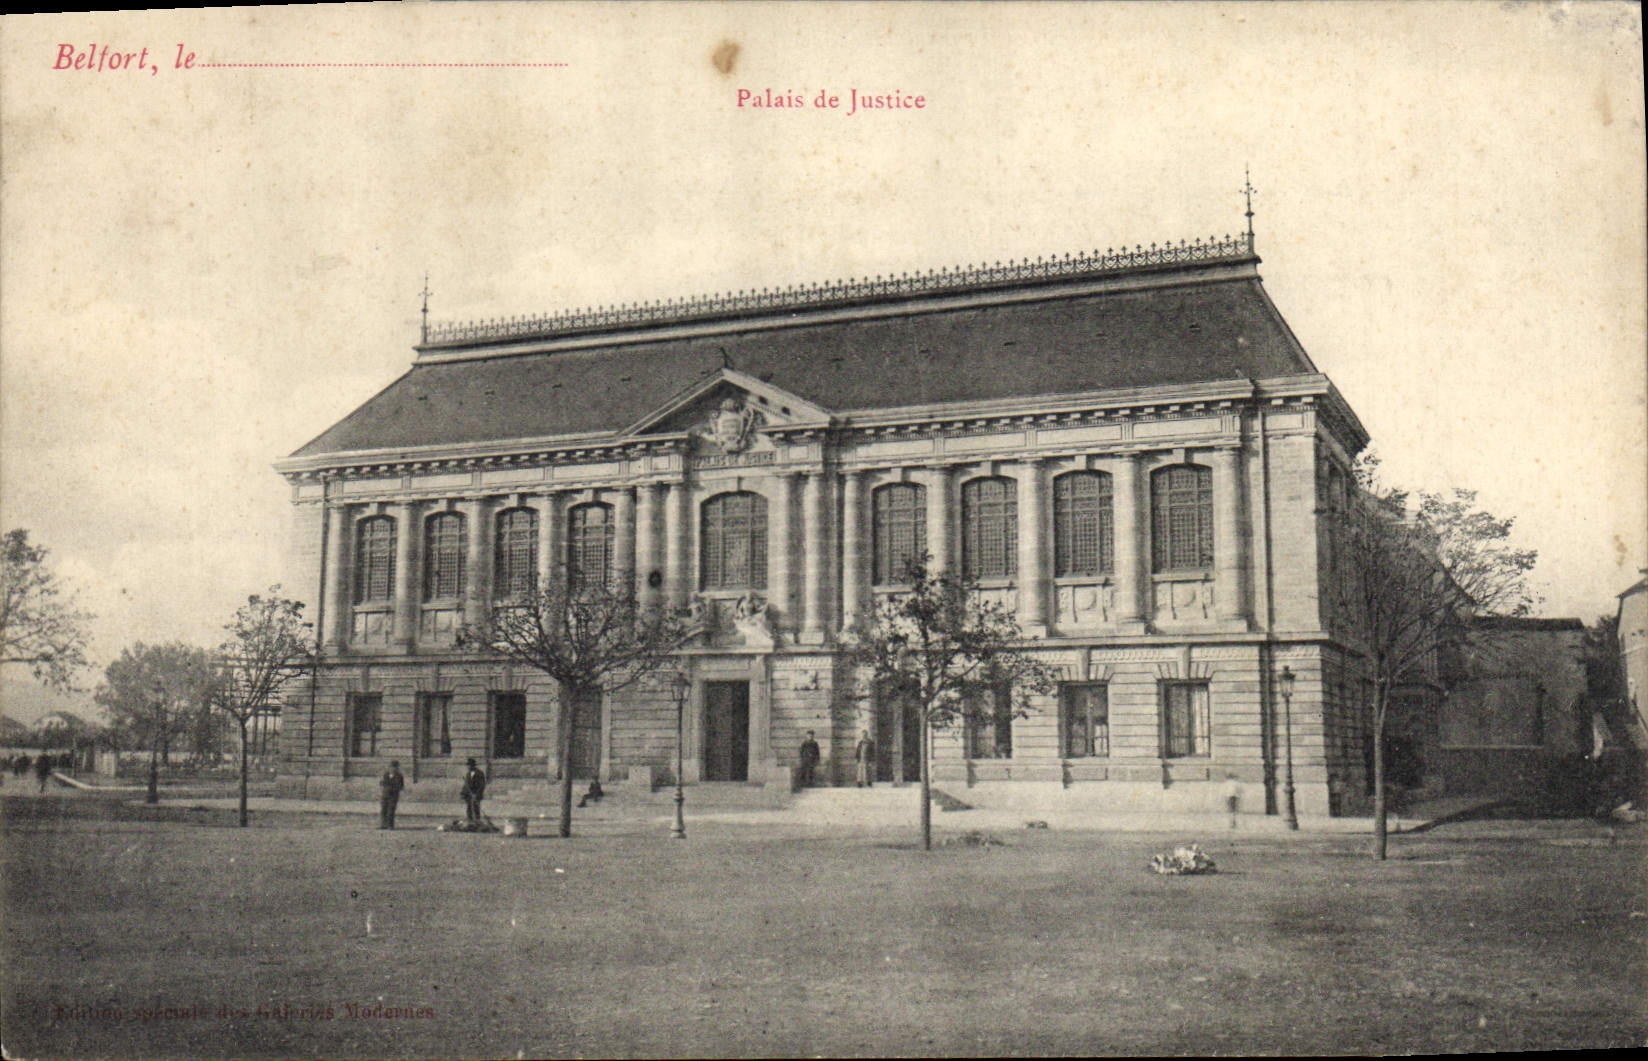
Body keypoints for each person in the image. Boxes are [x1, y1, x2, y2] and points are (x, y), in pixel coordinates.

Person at [379, 760, 406, 829]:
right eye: (391, 767)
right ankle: (383, 824)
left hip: (393, 796)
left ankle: (390, 825)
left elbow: (400, 786)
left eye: (394, 767)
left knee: (391, 810)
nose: (392, 769)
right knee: (383, 809)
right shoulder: (386, 774)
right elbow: (382, 783)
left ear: (397, 768)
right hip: (385, 795)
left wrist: (392, 787)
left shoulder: (399, 776)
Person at [461, 758, 487, 824]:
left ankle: (477, 822)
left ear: (473, 765)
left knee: (476, 809)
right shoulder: (468, 773)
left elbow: (482, 785)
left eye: (469, 765)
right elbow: (466, 785)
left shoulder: (479, 773)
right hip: (468, 795)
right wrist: (463, 793)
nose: (468, 767)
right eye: (467, 765)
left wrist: (476, 794)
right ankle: (470, 823)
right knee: (469, 809)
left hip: (476, 795)